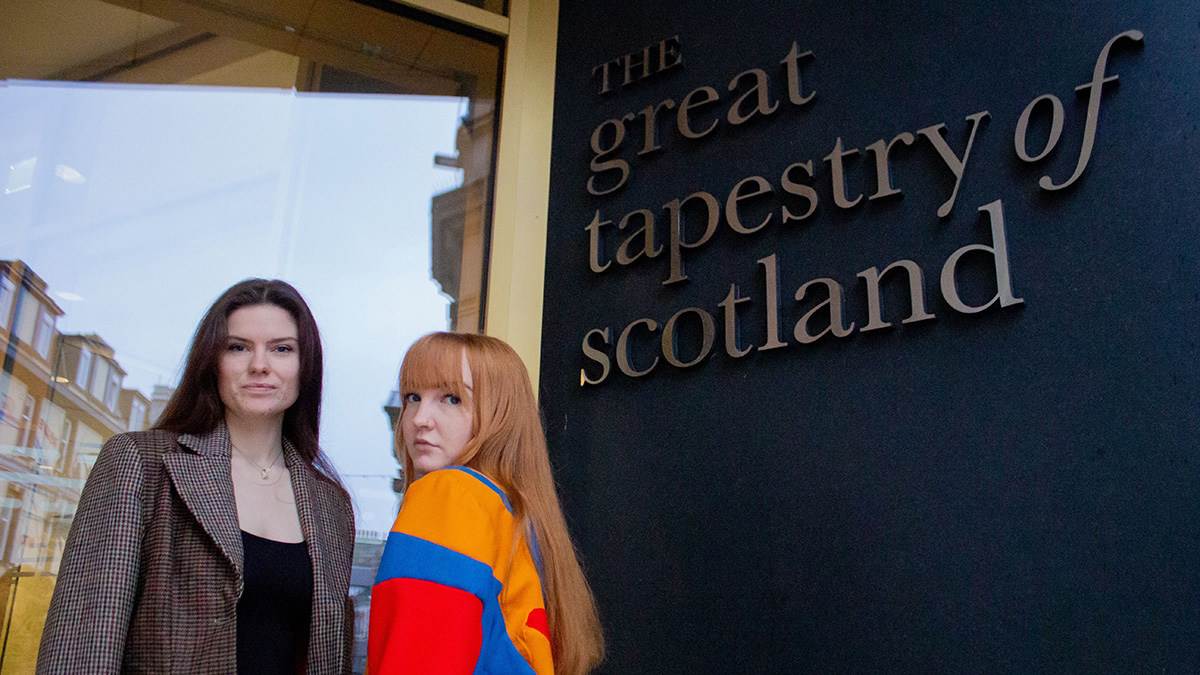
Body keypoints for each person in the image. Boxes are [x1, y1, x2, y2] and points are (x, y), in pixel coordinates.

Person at [37, 279, 355, 675]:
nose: (260, 364)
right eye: (237, 347)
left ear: (305, 367)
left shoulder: (330, 504)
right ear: (212, 361)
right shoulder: (141, 462)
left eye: (281, 349)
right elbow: (83, 644)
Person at [368, 332, 604, 675]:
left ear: (500, 415)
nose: (419, 418)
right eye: (413, 397)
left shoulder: (450, 495)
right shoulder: (520, 517)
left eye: (451, 398)